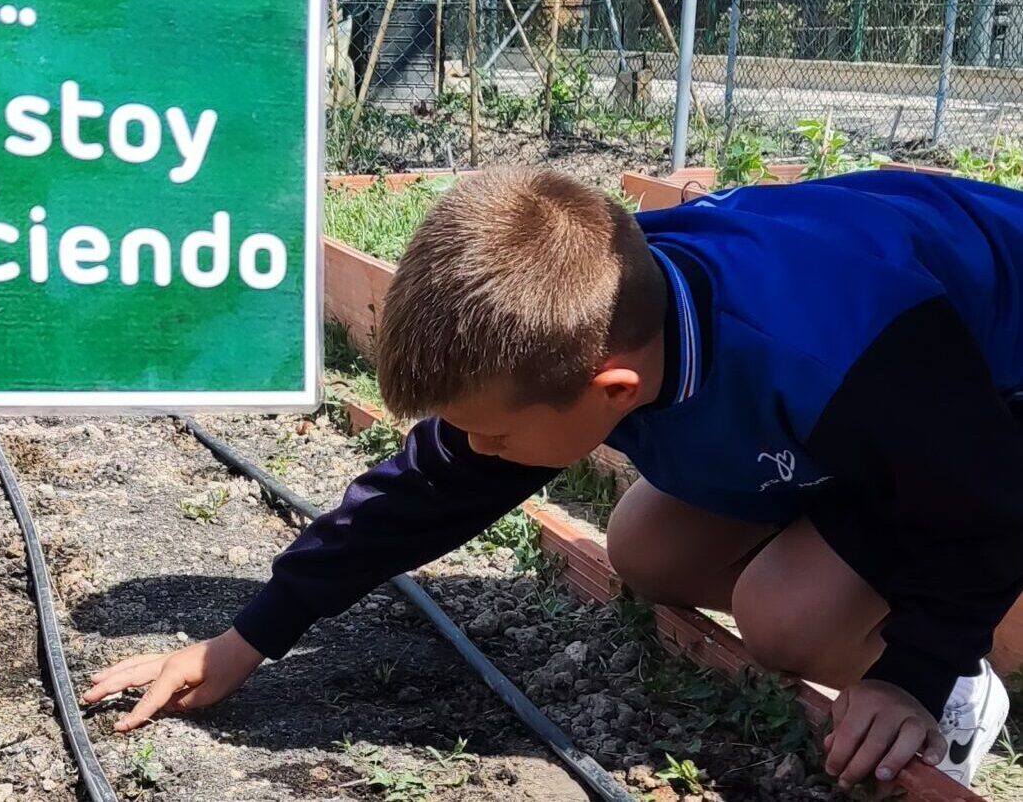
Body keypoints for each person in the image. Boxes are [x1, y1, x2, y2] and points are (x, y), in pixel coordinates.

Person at [86, 167, 1023, 789]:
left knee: (787, 615)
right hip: (907, 422)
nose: (471, 451)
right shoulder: (592, 314)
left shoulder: (835, 347)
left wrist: (911, 668)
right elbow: (427, 488)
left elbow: (980, 496)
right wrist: (245, 640)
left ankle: (964, 686)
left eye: (488, 433)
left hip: (994, 411)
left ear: (609, 389)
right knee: (645, 546)